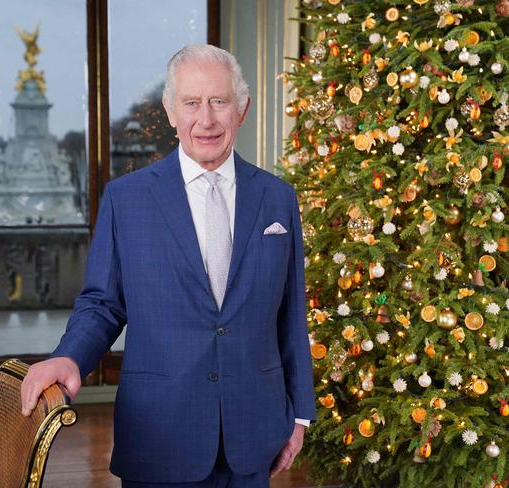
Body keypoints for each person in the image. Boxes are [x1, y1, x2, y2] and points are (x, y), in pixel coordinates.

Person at [21, 44, 315, 487]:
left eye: (219, 101)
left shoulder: (278, 198)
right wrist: (70, 357)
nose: (206, 119)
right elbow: (102, 304)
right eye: (192, 103)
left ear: (243, 109)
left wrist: (299, 413)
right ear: (171, 110)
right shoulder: (128, 199)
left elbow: (291, 313)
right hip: (160, 434)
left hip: (255, 432)